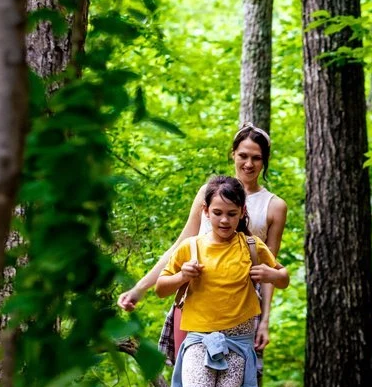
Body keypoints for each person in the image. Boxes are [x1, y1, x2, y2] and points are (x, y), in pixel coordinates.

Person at [153, 176, 289, 387]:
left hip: (237, 345)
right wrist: (182, 276)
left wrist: (270, 276)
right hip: (199, 340)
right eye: (217, 212)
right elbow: (160, 287)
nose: (224, 220)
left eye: (231, 213)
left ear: (242, 212)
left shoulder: (253, 247)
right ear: (206, 211)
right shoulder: (192, 248)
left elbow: (283, 276)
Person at [118, 124, 288, 354]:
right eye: (243, 156)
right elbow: (181, 246)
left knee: (234, 383)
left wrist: (265, 320)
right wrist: (139, 288)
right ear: (233, 155)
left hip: (239, 306)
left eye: (256, 158)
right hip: (195, 297)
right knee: (189, 376)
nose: (249, 164)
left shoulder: (274, 206)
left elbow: (268, 269)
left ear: (265, 159)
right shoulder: (209, 193)